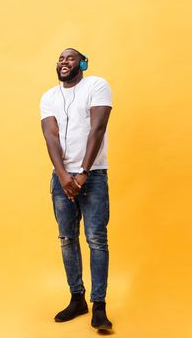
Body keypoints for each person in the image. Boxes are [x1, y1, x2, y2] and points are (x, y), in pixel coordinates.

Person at [40, 48, 113, 330]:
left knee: (96, 240)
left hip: (93, 176)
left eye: (70, 58)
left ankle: (99, 306)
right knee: (67, 239)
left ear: (82, 63)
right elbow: (50, 135)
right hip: (61, 179)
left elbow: (98, 127)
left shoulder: (97, 85)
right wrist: (63, 176)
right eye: (60, 58)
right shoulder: (48, 96)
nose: (64, 62)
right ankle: (77, 298)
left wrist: (82, 172)